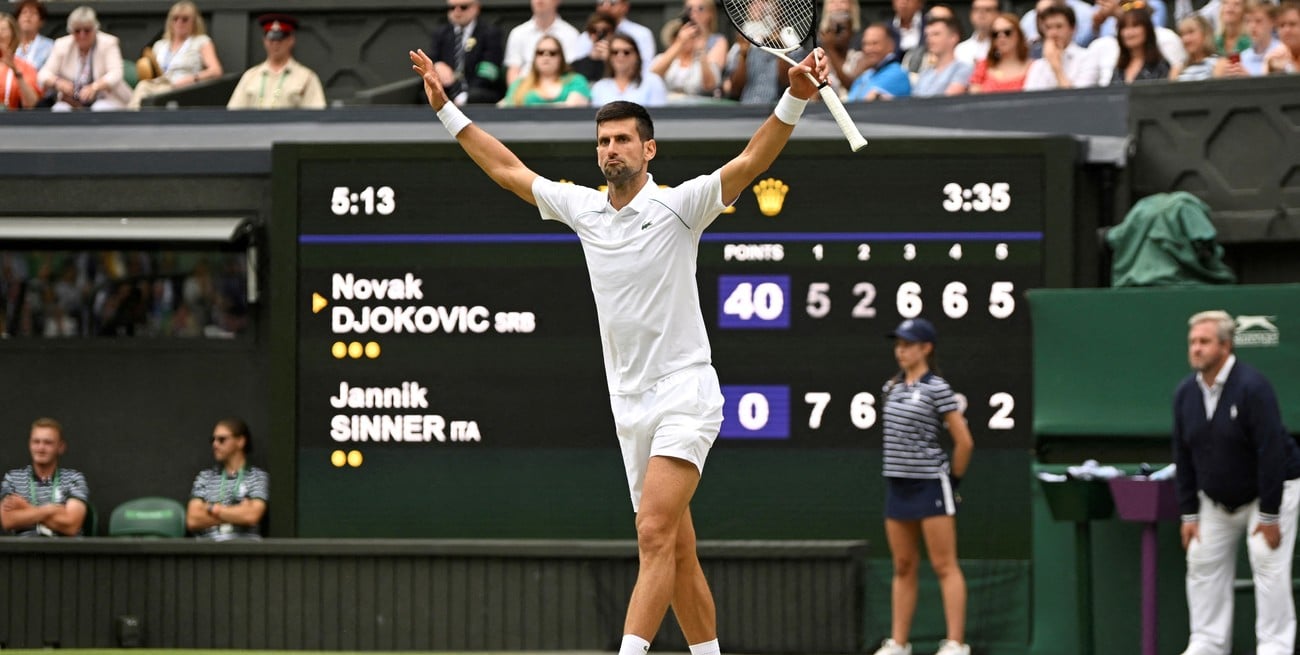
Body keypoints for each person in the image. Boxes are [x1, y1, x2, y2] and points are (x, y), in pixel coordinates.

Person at [409, 41, 830, 655]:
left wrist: (794, 95)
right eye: (603, 141)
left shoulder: (680, 205)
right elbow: (506, 169)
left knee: (653, 531)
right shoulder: (583, 210)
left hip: (686, 390)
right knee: (678, 551)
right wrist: (447, 109)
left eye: (623, 140)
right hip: (627, 403)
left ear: (648, 148)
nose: (611, 150)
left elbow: (750, 162)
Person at [1173, 310, 1300, 655]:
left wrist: (1271, 515)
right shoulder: (1185, 393)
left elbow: (1271, 453)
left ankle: (1275, 647)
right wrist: (1189, 514)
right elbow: (1182, 455)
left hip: (1270, 492)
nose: (1196, 349)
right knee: (1200, 559)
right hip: (1216, 499)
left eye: (1205, 342)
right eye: (1193, 342)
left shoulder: (1252, 388)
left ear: (1226, 346)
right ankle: (1207, 643)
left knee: (1266, 559)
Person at [872, 318, 974, 655]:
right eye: (898, 343)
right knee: (903, 565)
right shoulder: (891, 388)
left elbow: (964, 442)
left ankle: (955, 644)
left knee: (945, 565)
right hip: (897, 486)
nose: (900, 350)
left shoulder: (938, 388)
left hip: (930, 485)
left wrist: (951, 480)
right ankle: (899, 644)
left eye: (908, 344)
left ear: (926, 348)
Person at [0, 418, 90, 537]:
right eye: (36, 442)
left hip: (65, 552)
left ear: (61, 447)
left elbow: (71, 526)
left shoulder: (74, 479)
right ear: (29, 444)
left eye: (48, 443)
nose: (41, 448)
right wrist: (51, 509)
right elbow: (8, 521)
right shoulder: (13, 478)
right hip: (24, 552)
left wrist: (25, 508)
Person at [128, 1, 224, 109]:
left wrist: (193, 78)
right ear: (170, 21)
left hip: (185, 88)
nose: (179, 22)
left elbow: (216, 71)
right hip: (159, 84)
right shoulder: (160, 45)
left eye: (185, 19)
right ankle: (131, 120)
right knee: (142, 87)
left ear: (194, 22)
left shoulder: (201, 41)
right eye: (175, 18)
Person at [186, 417, 269, 540]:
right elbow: (192, 520)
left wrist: (211, 508)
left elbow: (251, 516)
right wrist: (237, 512)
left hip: (244, 550)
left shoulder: (258, 477)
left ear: (240, 441)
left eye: (221, 440)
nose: (215, 444)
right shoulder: (205, 477)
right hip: (208, 550)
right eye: (213, 440)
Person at [37, 6, 131, 111]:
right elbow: (43, 74)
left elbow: (116, 73)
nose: (82, 35)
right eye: (77, 31)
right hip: (72, 101)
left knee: (100, 108)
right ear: (71, 32)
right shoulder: (62, 44)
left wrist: (94, 87)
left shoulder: (108, 43)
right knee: (59, 109)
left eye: (87, 30)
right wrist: (59, 83)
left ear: (95, 29)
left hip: (106, 98)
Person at [226, 14, 327, 110]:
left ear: (291, 40)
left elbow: (316, 116)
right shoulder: (250, 76)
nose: (275, 44)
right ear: (264, 40)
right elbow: (233, 112)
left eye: (280, 39)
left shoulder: (306, 77)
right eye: (271, 40)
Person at [425, 0, 505, 105]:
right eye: (452, 8)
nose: (457, 12)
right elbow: (431, 58)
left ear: (476, 8)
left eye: (463, 7)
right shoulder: (441, 34)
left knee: (478, 96)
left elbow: (489, 70)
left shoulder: (490, 34)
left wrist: (465, 96)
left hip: (478, 92)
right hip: (447, 91)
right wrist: (437, 65)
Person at [650, 1, 727, 102]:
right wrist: (679, 43)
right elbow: (652, 76)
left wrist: (702, 52)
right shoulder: (664, 58)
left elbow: (710, 86)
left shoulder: (707, 61)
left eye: (693, 36)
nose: (688, 39)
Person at [570, 0, 657, 77]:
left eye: (612, 2)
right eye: (601, 2)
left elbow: (646, 71)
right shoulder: (585, 37)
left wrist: (611, 58)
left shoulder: (640, 34)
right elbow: (575, 73)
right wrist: (591, 58)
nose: (606, 6)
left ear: (625, 5)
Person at [503, 0, 581, 84]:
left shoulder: (571, 34)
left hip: (559, 91)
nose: (539, 0)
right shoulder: (517, 33)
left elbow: (570, 72)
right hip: (525, 91)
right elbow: (513, 71)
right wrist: (515, 94)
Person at [1024, 4, 1101, 89]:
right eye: (1048, 27)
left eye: (1059, 26)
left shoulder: (1088, 58)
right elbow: (1030, 98)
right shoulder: (1038, 65)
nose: (1053, 33)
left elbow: (1079, 98)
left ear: (1073, 29)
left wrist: (1056, 67)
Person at [500, 35, 591, 106]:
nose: (546, 56)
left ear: (561, 58)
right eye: (540, 52)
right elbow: (504, 110)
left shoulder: (576, 81)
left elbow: (573, 107)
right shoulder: (519, 84)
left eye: (552, 53)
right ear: (535, 57)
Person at [591, 33, 667, 106]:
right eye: (615, 52)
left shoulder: (653, 81)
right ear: (609, 57)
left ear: (637, 55)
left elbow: (658, 115)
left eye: (626, 52)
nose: (620, 56)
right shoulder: (599, 87)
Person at [845, 23, 911, 101]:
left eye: (875, 43)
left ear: (891, 46)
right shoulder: (865, 75)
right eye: (865, 44)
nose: (868, 49)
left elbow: (867, 104)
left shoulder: (897, 73)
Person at [968, 13, 1030, 92]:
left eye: (1007, 32)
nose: (1001, 37)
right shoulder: (983, 66)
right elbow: (974, 99)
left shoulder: (1033, 67)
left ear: (1019, 35)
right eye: (995, 34)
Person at [1109, 5, 1172, 83]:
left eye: (1135, 26)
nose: (1129, 33)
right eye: (1124, 27)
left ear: (1147, 30)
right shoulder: (1119, 69)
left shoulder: (1160, 66)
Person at [912, 15, 973, 96]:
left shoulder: (963, 68)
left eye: (936, 34)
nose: (929, 39)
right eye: (927, 35)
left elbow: (949, 99)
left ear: (953, 37)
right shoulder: (925, 73)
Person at [1, 12, 41, 110]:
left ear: (13, 35)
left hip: (8, 121)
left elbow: (32, 104)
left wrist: (16, 73)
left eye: (3, 29)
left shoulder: (24, 67)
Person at [572, 12, 618, 81]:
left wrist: (609, 61)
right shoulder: (577, 64)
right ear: (589, 34)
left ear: (612, 33)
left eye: (604, 31)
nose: (598, 35)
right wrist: (591, 60)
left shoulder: (624, 57)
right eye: (593, 30)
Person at [1170, 14, 1220, 78]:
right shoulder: (1177, 69)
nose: (1186, 39)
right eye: (1182, 34)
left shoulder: (1218, 64)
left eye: (1191, 32)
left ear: (1205, 34)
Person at [13, 0, 52, 71]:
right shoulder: (9, 44)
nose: (28, 16)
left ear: (41, 22)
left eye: (34, 13)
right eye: (24, 12)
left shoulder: (50, 46)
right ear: (17, 19)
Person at [954, 0, 997, 64]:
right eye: (977, 10)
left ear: (998, 14)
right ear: (971, 14)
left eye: (988, 10)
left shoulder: (1003, 48)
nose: (982, 14)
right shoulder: (960, 49)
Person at [1263, 0, 1300, 73]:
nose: (1286, 30)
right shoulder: (1272, 58)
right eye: (1282, 25)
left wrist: (1290, 68)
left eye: (1292, 24)